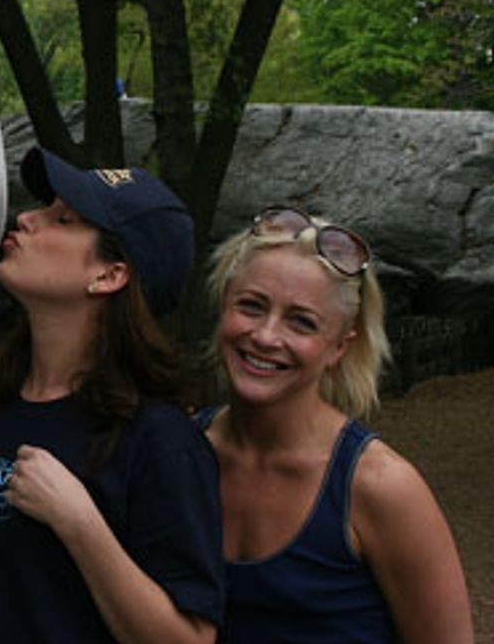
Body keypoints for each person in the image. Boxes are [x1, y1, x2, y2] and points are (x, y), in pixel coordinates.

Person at [0, 146, 225, 643]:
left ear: (110, 275)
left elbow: (190, 638)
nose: (27, 218)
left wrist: (80, 523)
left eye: (62, 219)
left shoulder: (158, 439)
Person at [198, 206, 473, 643]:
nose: (267, 336)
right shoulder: (180, 452)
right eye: (251, 306)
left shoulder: (379, 487)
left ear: (339, 348)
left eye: (301, 322)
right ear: (222, 308)